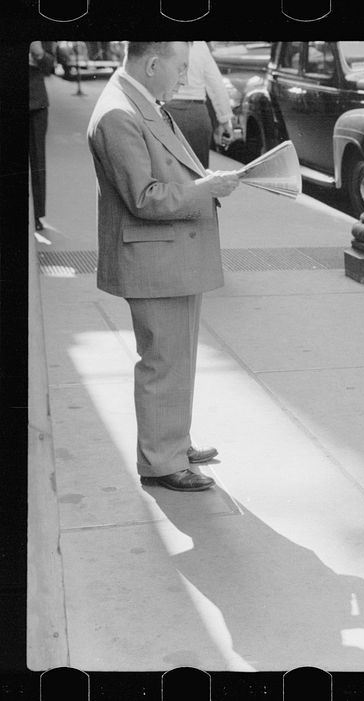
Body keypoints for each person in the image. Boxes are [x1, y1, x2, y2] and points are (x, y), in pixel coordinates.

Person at [87, 41, 241, 492]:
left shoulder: (134, 100)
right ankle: (160, 461)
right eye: (180, 69)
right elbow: (145, 197)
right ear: (152, 63)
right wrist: (208, 189)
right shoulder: (119, 114)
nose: (183, 79)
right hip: (154, 257)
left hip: (166, 255)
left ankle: (172, 441)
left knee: (177, 357)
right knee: (163, 361)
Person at [163, 41, 234, 168]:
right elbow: (216, 83)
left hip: (165, 111)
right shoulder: (200, 45)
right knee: (199, 174)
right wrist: (225, 119)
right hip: (196, 115)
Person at [29, 41, 56, 233]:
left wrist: (39, 54)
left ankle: (37, 214)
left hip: (36, 105)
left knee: (38, 160)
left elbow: (51, 67)